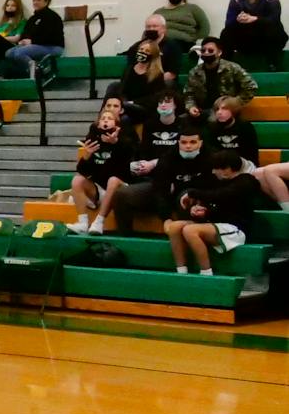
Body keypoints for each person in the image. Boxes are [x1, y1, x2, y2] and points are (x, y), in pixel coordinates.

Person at [165, 151, 257, 276]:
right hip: (217, 224)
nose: (213, 172)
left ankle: (206, 273)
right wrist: (202, 211)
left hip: (236, 228)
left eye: (216, 168)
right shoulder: (218, 182)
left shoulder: (246, 181)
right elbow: (216, 206)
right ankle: (181, 272)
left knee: (190, 230)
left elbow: (222, 196)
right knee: (175, 227)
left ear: (227, 169)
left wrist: (193, 193)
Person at [112, 91, 191, 232]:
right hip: (153, 179)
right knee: (122, 194)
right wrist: (139, 165)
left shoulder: (184, 124)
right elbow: (144, 152)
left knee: (185, 197)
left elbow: (182, 154)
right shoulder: (150, 125)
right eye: (161, 102)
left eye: (167, 102)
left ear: (175, 105)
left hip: (177, 179)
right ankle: (125, 237)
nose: (163, 105)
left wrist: (155, 163)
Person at [71, 109, 134, 235]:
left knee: (113, 180)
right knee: (77, 180)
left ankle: (98, 222)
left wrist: (115, 144)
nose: (105, 120)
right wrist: (87, 155)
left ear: (117, 125)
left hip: (120, 188)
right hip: (99, 189)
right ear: (98, 124)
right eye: (103, 118)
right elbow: (82, 171)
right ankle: (82, 223)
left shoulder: (125, 142)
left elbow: (123, 170)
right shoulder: (94, 142)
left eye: (109, 118)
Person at [184, 36, 258, 118]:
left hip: (227, 112)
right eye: (203, 50)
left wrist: (235, 102)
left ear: (219, 52)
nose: (206, 53)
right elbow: (189, 94)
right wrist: (191, 107)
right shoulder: (194, 72)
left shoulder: (232, 68)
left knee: (213, 121)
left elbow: (251, 86)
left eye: (210, 50)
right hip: (202, 111)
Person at [221, 0, 285, 65]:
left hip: (266, 38)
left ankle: (273, 65)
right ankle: (226, 66)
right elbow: (228, 22)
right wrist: (238, 19)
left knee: (273, 29)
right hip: (246, 39)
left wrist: (255, 19)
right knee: (226, 33)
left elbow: (274, 19)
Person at [2, 0, 65, 75]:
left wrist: (32, 41)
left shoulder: (52, 17)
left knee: (19, 53)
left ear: (46, 2)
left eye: (38, 0)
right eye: (34, 0)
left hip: (53, 46)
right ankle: (22, 73)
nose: (35, 2)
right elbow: (26, 33)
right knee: (9, 53)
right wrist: (22, 41)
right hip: (36, 45)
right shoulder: (33, 18)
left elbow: (50, 37)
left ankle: (36, 70)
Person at [116, 40, 170, 121]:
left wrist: (134, 102)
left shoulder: (157, 74)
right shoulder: (129, 69)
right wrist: (124, 101)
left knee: (124, 116)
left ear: (152, 55)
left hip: (144, 107)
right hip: (127, 105)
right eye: (141, 49)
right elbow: (122, 90)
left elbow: (155, 98)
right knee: (113, 88)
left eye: (147, 51)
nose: (143, 52)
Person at [159, 0, 209, 67]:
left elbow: (205, 28)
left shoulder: (192, 8)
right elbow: (150, 27)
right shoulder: (159, 12)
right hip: (161, 42)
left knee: (171, 45)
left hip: (184, 43)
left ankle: (171, 75)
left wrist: (192, 37)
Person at [204, 97, 259, 165]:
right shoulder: (211, 128)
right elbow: (211, 152)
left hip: (242, 166)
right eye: (217, 109)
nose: (219, 112)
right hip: (219, 166)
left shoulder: (245, 127)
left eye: (224, 109)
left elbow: (252, 153)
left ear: (234, 111)